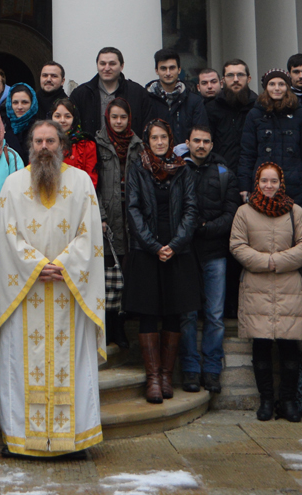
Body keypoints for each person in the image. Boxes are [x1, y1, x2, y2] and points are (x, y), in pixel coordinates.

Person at [0, 119, 106, 459]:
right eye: (38, 141)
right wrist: (36, 264)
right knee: (19, 366)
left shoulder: (80, 182)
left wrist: (63, 264)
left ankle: (74, 441)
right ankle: (22, 441)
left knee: (74, 366)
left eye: (51, 140)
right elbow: (5, 236)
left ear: (61, 144)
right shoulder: (12, 184)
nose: (44, 147)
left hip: (70, 291)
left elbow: (90, 234)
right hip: (24, 291)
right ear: (30, 145)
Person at [124, 118, 200, 404]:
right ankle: (153, 377)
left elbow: (191, 210)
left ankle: (168, 375)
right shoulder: (137, 168)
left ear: (171, 140)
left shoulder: (183, 171)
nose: (159, 142)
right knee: (149, 313)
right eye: (154, 138)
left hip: (177, 251)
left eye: (163, 138)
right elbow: (132, 209)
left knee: (173, 312)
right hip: (147, 251)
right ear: (148, 140)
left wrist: (175, 244)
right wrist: (155, 246)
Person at [231, 161, 302, 422]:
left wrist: (277, 261)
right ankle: (266, 401)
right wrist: (267, 262)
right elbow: (237, 246)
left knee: (290, 349)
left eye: (273, 181)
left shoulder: (295, 211)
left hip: (289, 288)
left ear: (281, 183)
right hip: (257, 289)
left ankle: (288, 401)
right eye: (264, 181)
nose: (268, 186)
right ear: (257, 183)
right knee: (261, 347)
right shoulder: (244, 212)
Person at [178, 125, 238, 395]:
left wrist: (205, 228)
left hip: (215, 251)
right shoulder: (178, 170)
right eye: (196, 141)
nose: (201, 145)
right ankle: (190, 369)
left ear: (212, 145)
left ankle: (212, 371)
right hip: (186, 252)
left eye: (206, 141)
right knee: (188, 314)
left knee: (214, 315)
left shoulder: (224, 173)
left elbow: (231, 213)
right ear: (188, 143)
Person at [94, 98, 141, 343]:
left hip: (130, 218)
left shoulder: (138, 145)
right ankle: (106, 327)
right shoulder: (98, 143)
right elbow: (94, 184)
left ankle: (120, 326)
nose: (119, 122)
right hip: (107, 218)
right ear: (107, 118)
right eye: (114, 117)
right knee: (105, 276)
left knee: (125, 274)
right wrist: (100, 215)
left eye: (123, 117)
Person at [239, 70, 302, 204]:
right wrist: (244, 185)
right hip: (263, 186)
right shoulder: (254, 114)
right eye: (272, 84)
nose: (276, 88)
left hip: (296, 186)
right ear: (266, 87)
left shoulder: (300, 114)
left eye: (281, 84)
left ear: (287, 87)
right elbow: (247, 153)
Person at [72, 47, 151, 137]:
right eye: (102, 64)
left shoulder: (138, 93)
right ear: (97, 65)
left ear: (122, 66)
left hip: (129, 150)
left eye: (112, 64)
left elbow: (147, 128)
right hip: (90, 150)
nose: (107, 68)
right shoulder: (81, 94)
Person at [146, 49, 207, 147]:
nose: (168, 73)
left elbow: (201, 134)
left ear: (179, 70)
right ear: (156, 71)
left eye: (172, 68)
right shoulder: (147, 99)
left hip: (185, 158)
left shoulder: (194, 101)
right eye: (163, 68)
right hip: (154, 159)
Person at [204, 60, 255, 176]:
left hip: (253, 174)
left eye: (240, 75)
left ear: (249, 79)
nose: (236, 79)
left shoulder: (258, 107)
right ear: (223, 81)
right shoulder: (211, 109)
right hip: (220, 174)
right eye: (230, 75)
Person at [50, 97, 99, 186]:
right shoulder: (42, 142)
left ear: (75, 118)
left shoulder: (86, 144)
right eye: (57, 116)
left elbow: (91, 179)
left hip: (77, 195)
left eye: (67, 116)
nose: (62, 120)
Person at [5, 82, 38, 159]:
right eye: (15, 102)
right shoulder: (2, 127)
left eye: (24, 102)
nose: (19, 107)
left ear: (32, 104)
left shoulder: (40, 129)